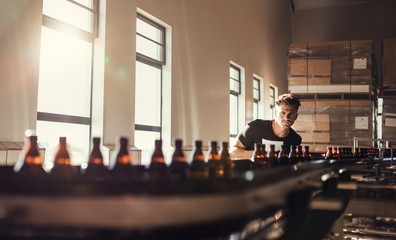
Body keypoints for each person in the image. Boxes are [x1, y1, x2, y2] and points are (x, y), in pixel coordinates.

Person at [230, 93, 302, 159]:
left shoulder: (295, 139)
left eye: (291, 114)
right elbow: (232, 151)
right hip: (253, 171)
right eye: (283, 113)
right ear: (275, 113)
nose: (286, 118)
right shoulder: (256, 127)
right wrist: (262, 154)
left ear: (296, 116)